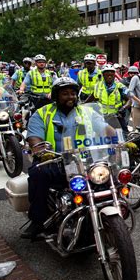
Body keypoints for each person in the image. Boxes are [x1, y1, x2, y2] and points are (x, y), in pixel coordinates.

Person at [22, 77, 107, 239]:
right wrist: (40, 150)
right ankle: (38, 220)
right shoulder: (43, 113)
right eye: (65, 94)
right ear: (56, 96)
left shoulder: (87, 112)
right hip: (54, 161)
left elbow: (106, 129)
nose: (70, 97)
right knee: (38, 175)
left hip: (84, 161)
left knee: (108, 176)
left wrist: (122, 140)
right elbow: (34, 137)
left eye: (73, 93)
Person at [86, 64, 131, 134]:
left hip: (116, 117)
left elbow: (129, 99)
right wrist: (82, 104)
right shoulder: (98, 86)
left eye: (111, 75)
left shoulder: (120, 87)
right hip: (101, 117)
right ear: (103, 75)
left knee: (124, 135)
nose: (109, 77)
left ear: (114, 75)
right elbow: (92, 97)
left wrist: (124, 108)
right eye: (107, 75)